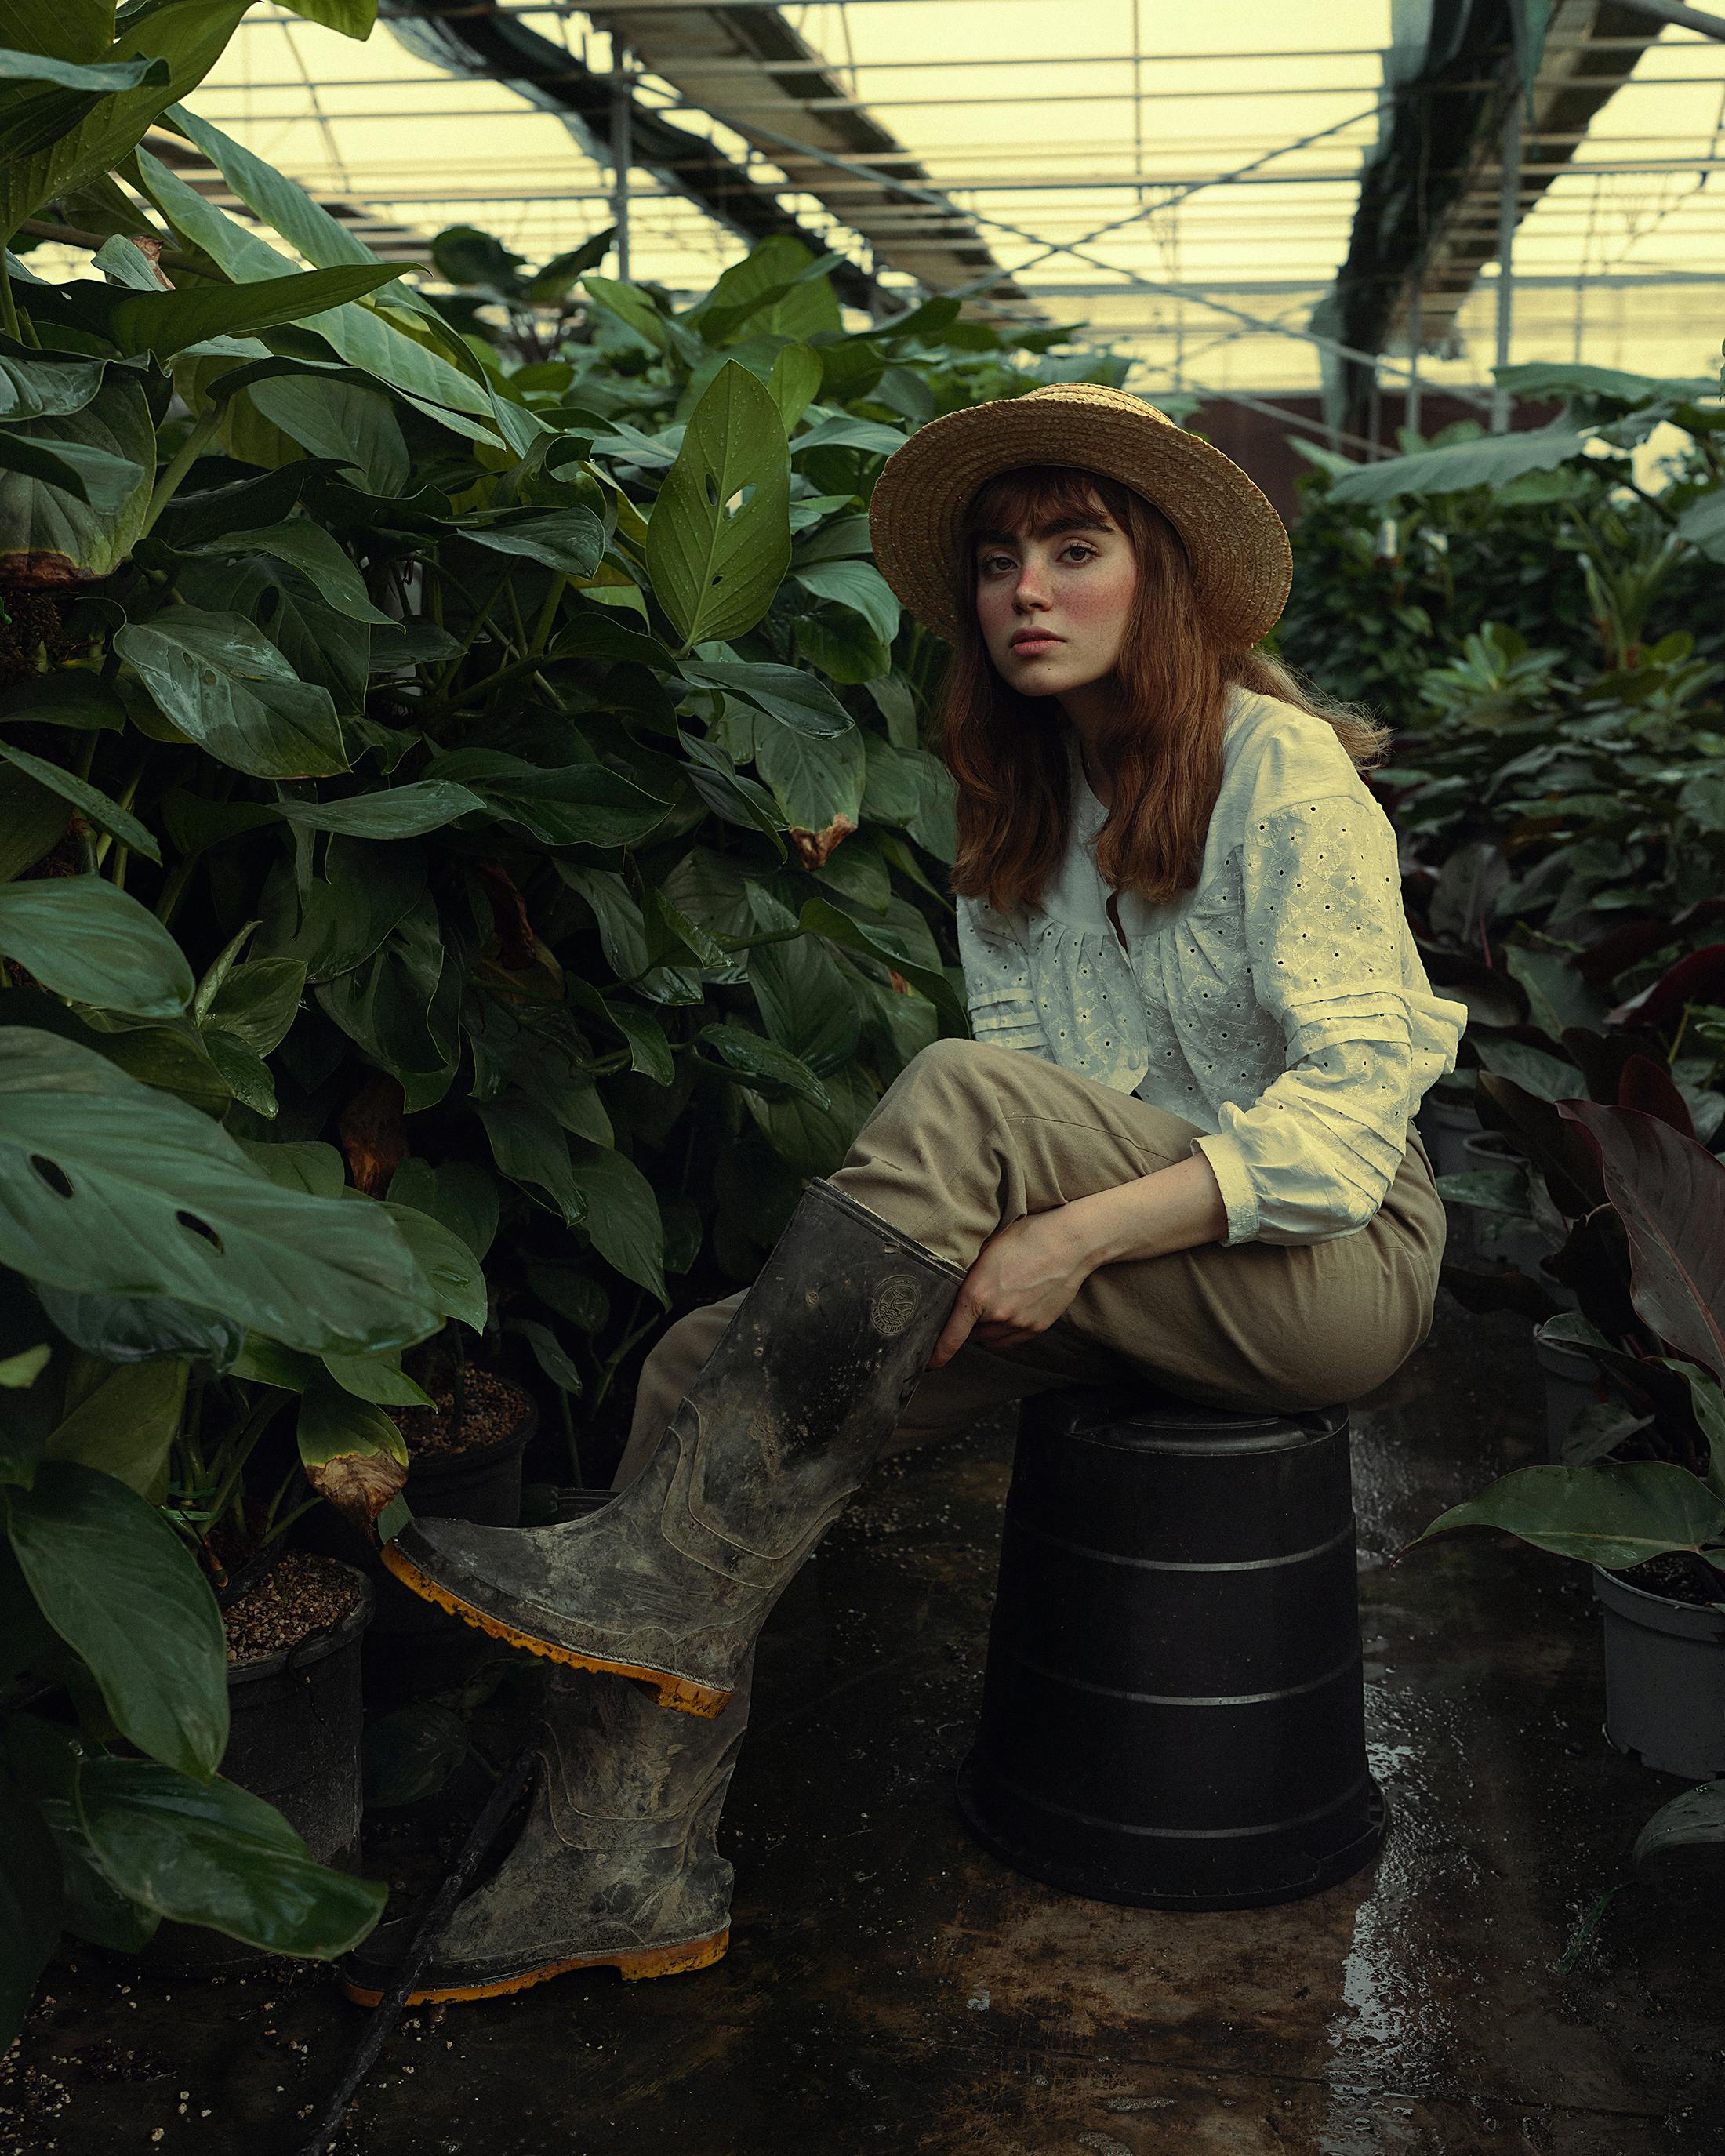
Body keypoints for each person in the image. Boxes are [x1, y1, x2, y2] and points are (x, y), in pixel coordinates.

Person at [345, 382, 1465, 2008]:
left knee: (950, 1091)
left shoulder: (1276, 768)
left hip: (1328, 1258)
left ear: (1162, 582)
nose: (1026, 590)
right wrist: (1040, 1237)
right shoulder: (1017, 808)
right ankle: (619, 1860)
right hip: (1134, 1255)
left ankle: (657, 1574)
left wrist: (1072, 1235)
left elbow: (1350, 1113)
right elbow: (1041, 1091)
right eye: (1000, 561)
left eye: (1074, 551)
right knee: (693, 1366)